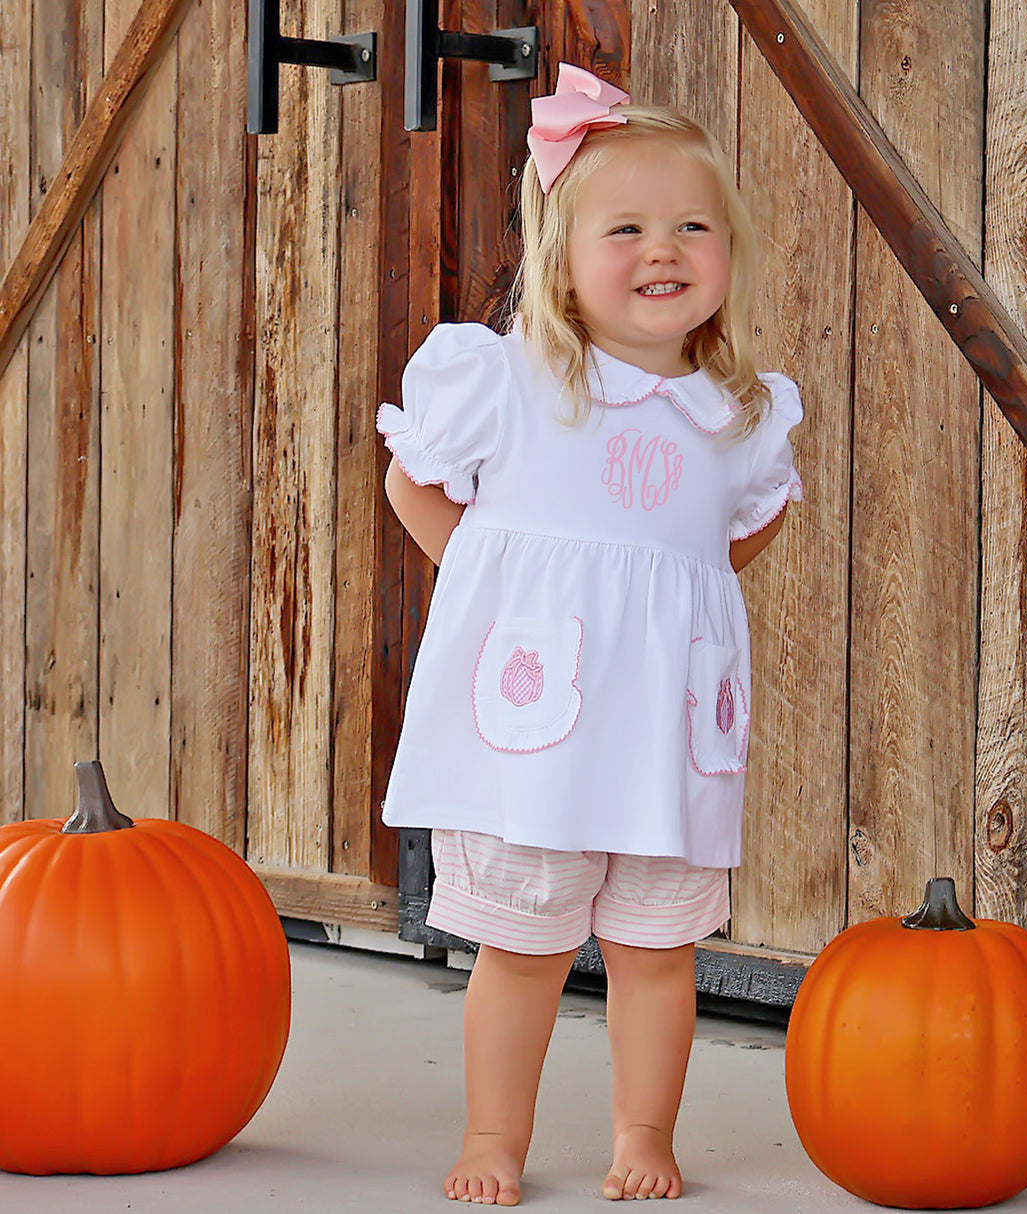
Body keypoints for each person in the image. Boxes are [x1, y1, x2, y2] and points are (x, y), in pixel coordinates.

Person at [377, 64, 803, 1205]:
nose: (662, 249)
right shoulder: (515, 382)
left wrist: (676, 605)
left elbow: (731, 537)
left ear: (726, 249)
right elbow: (413, 483)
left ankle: (641, 1131)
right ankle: (492, 1137)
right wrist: (496, 597)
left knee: (659, 951)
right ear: (561, 252)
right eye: (625, 227)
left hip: (661, 738)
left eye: (690, 226)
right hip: (537, 730)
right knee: (522, 947)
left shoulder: (737, 413)